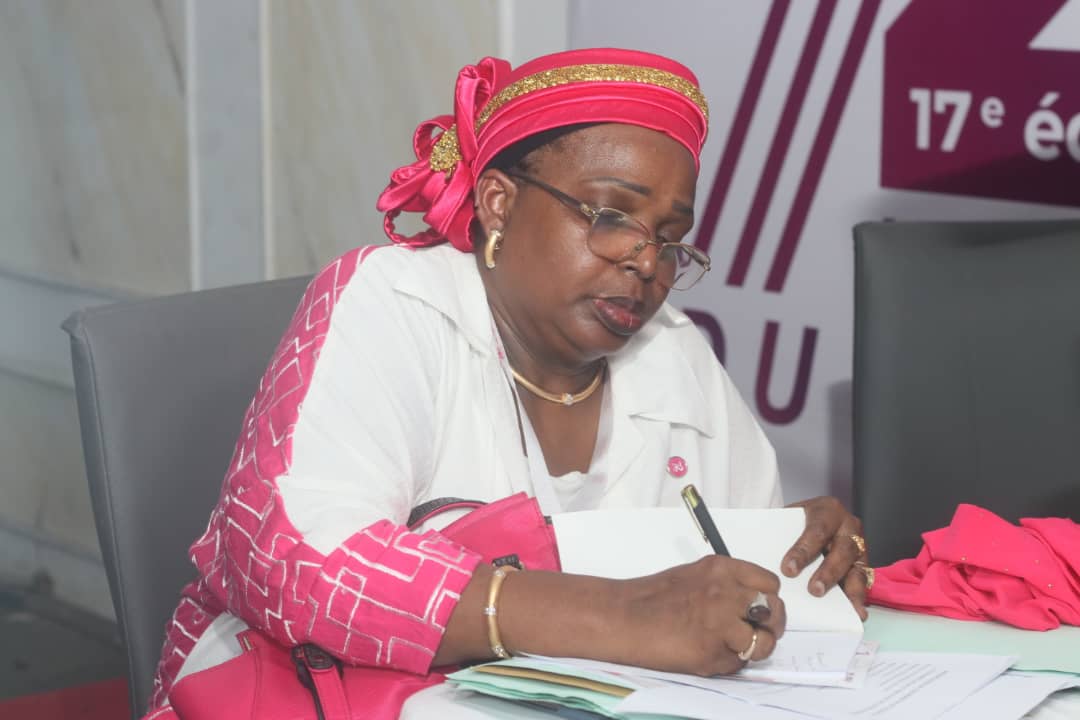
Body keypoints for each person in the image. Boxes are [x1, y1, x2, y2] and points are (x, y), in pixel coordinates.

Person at [146, 47, 870, 714]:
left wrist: (790, 561)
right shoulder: (395, 300)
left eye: (670, 238)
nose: (647, 261)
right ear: (499, 202)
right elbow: (296, 558)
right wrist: (625, 615)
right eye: (612, 216)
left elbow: (725, 581)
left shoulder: (674, 350)